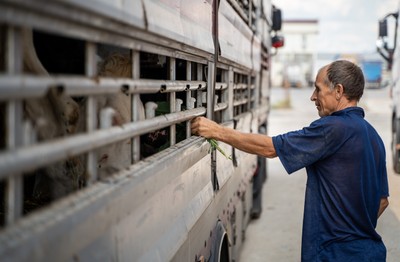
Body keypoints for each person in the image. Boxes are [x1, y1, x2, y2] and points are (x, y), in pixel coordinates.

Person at [191, 60, 389, 261]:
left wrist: (217, 131)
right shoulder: (374, 137)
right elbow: (382, 202)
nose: (313, 97)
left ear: (338, 91)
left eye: (318, 89)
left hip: (335, 255)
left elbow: (270, 148)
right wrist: (356, 232)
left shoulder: (333, 128)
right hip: (370, 253)